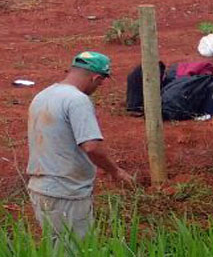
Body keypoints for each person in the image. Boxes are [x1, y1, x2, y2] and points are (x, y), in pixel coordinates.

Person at [26, 51, 134, 247]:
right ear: (96, 77)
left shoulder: (43, 95)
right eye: (100, 83)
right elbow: (92, 147)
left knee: (55, 247)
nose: (98, 87)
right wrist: (115, 171)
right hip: (66, 192)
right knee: (75, 249)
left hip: (40, 188)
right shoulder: (77, 100)